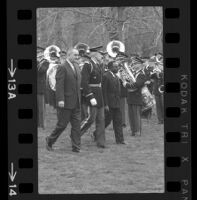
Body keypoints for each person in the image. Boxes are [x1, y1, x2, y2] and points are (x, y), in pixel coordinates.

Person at [46, 48, 81, 153]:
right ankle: (50, 140)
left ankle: (76, 147)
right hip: (65, 102)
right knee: (62, 125)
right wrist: (60, 99)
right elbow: (59, 85)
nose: (77, 57)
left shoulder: (76, 66)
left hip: (76, 101)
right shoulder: (62, 67)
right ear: (69, 55)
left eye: (78, 55)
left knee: (76, 126)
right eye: (75, 55)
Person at [80, 49, 106, 148]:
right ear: (94, 54)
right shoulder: (88, 65)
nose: (102, 56)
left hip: (99, 94)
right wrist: (90, 96)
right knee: (90, 119)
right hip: (92, 94)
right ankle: (76, 134)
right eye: (100, 54)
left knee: (101, 119)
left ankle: (101, 142)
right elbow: (84, 82)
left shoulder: (98, 65)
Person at [103, 61, 126, 144]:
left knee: (118, 121)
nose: (117, 68)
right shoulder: (106, 76)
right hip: (109, 103)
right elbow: (104, 91)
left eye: (117, 66)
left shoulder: (116, 76)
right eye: (115, 67)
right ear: (110, 68)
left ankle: (120, 140)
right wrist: (105, 104)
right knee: (107, 121)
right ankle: (96, 134)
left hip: (116, 102)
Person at [122, 68, 147, 136]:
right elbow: (130, 81)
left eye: (135, 63)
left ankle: (137, 131)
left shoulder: (141, 75)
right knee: (131, 116)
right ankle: (133, 131)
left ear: (140, 65)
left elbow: (137, 84)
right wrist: (124, 79)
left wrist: (126, 84)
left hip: (136, 97)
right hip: (130, 97)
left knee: (136, 115)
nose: (133, 65)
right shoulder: (133, 74)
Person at [37, 52, 49, 129]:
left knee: (41, 108)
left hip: (40, 88)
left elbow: (41, 70)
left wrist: (38, 61)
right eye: (38, 53)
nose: (39, 55)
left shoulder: (45, 62)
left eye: (40, 53)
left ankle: (42, 124)